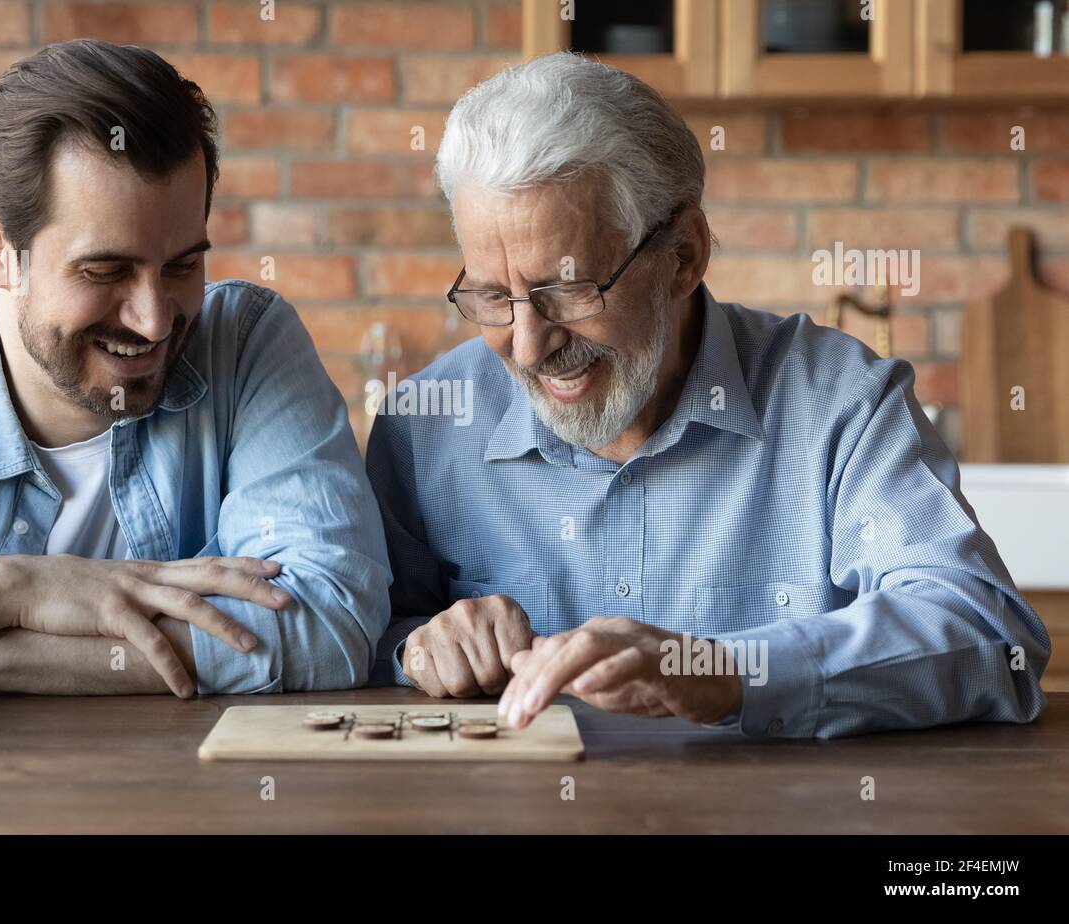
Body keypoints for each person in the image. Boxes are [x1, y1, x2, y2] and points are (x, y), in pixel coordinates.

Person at [366, 52, 1049, 739]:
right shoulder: (425, 427)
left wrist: (726, 671)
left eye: (569, 291)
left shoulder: (841, 401)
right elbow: (355, 631)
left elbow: (987, 636)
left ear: (684, 256)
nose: (526, 344)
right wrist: (416, 646)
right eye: (492, 297)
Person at [0, 39, 389, 712]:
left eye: (181, 266)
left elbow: (332, 624)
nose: (155, 321)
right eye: (106, 271)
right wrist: (21, 589)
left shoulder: (243, 346)